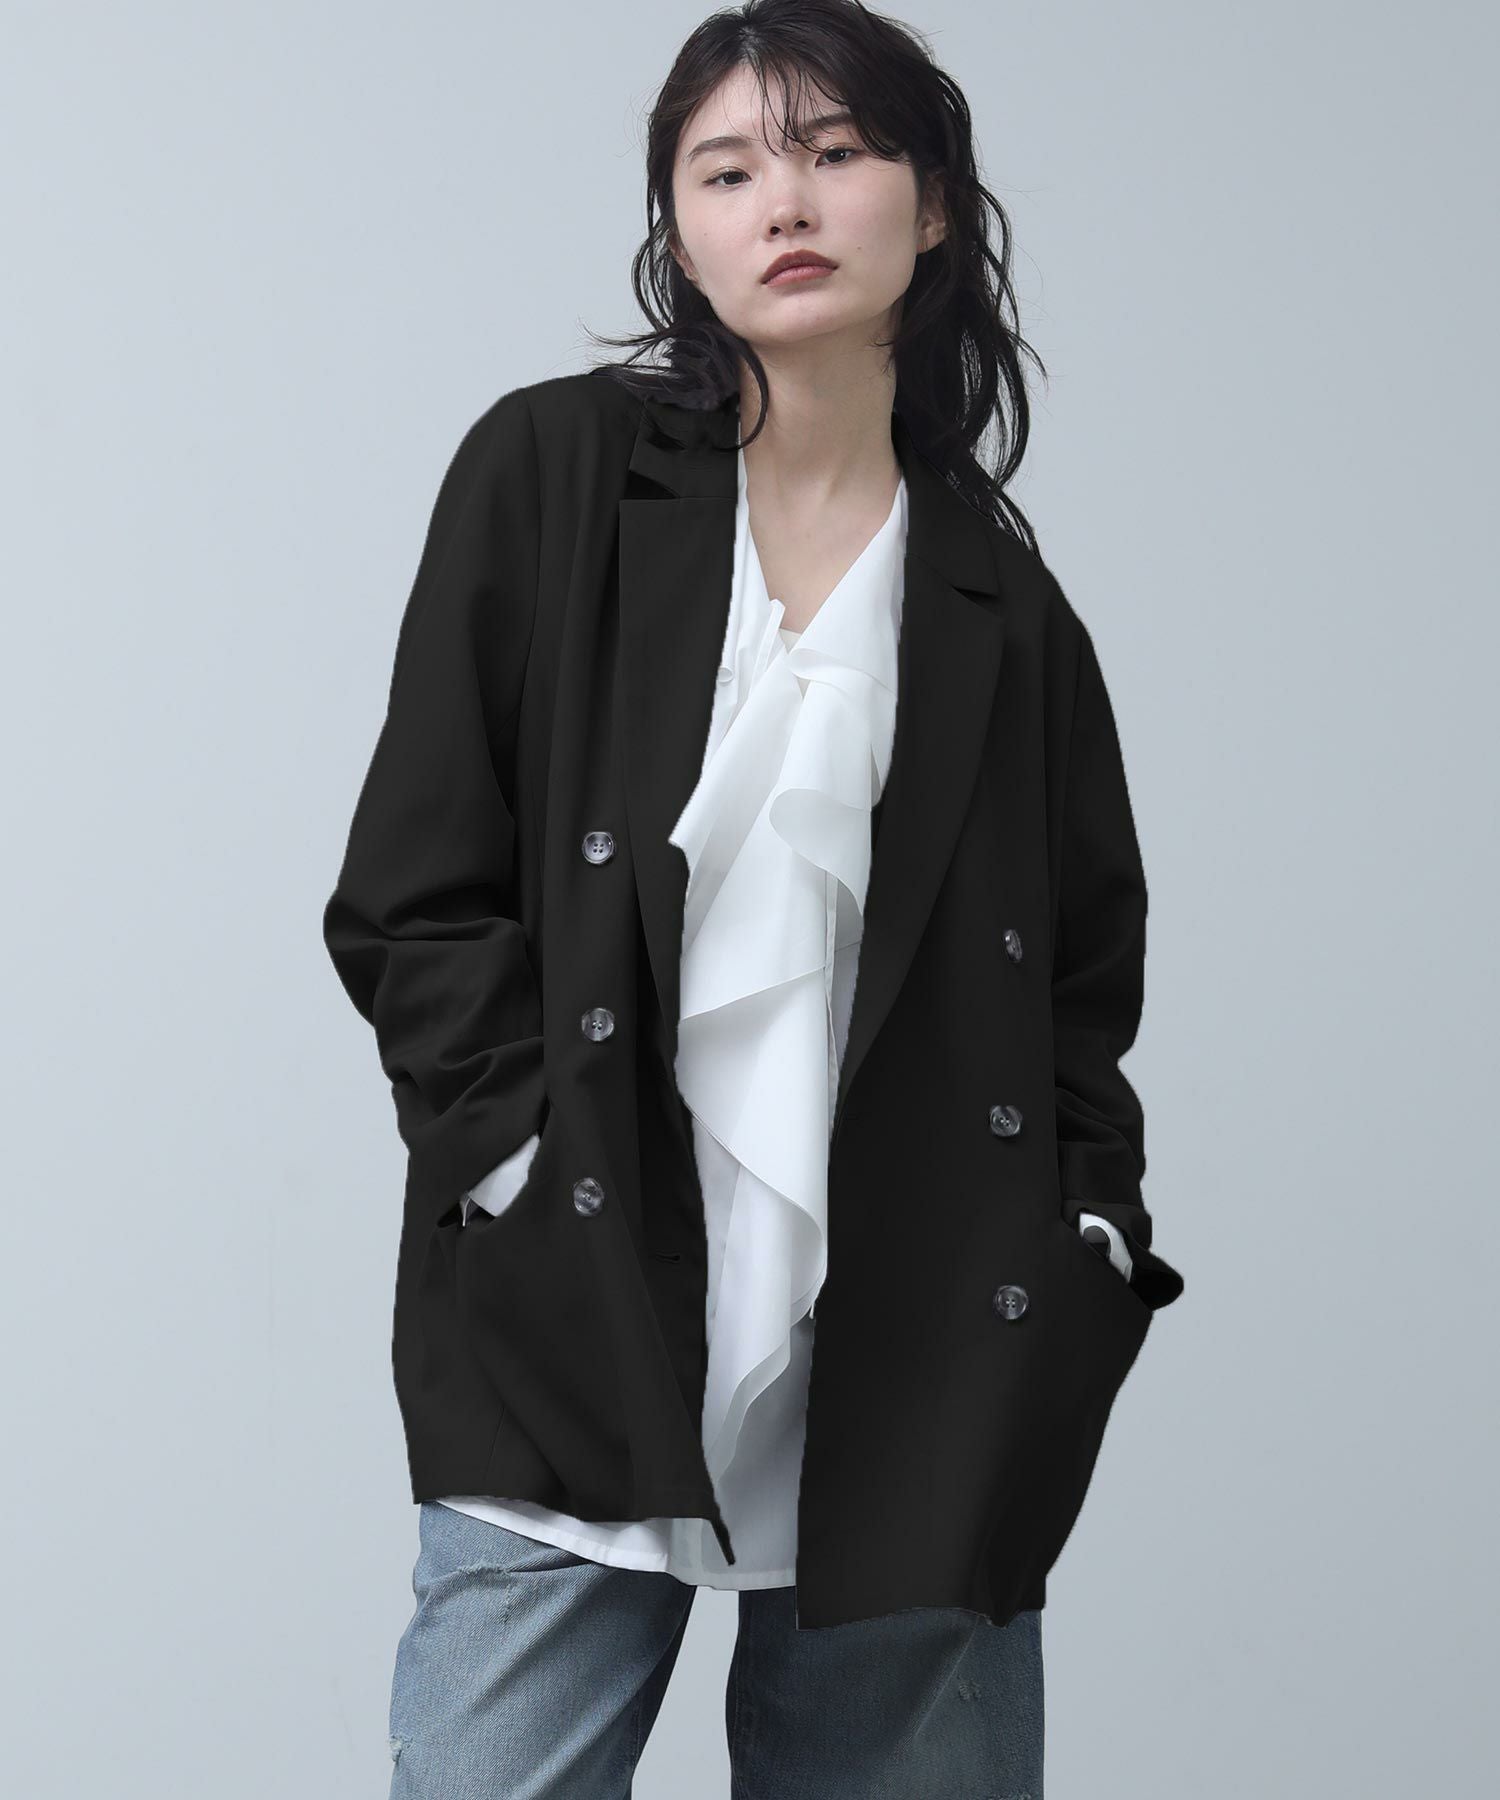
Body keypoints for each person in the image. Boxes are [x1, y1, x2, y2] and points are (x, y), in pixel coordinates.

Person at [322, 3, 1185, 1794]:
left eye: (834, 153)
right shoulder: (553, 475)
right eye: (725, 170)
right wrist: (512, 1164)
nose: (781, 201)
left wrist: (1085, 1234)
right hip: (584, 1298)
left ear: (931, 207)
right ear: (680, 229)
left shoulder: (1003, 609)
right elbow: (414, 887)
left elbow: (1080, 986)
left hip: (914, 1356)